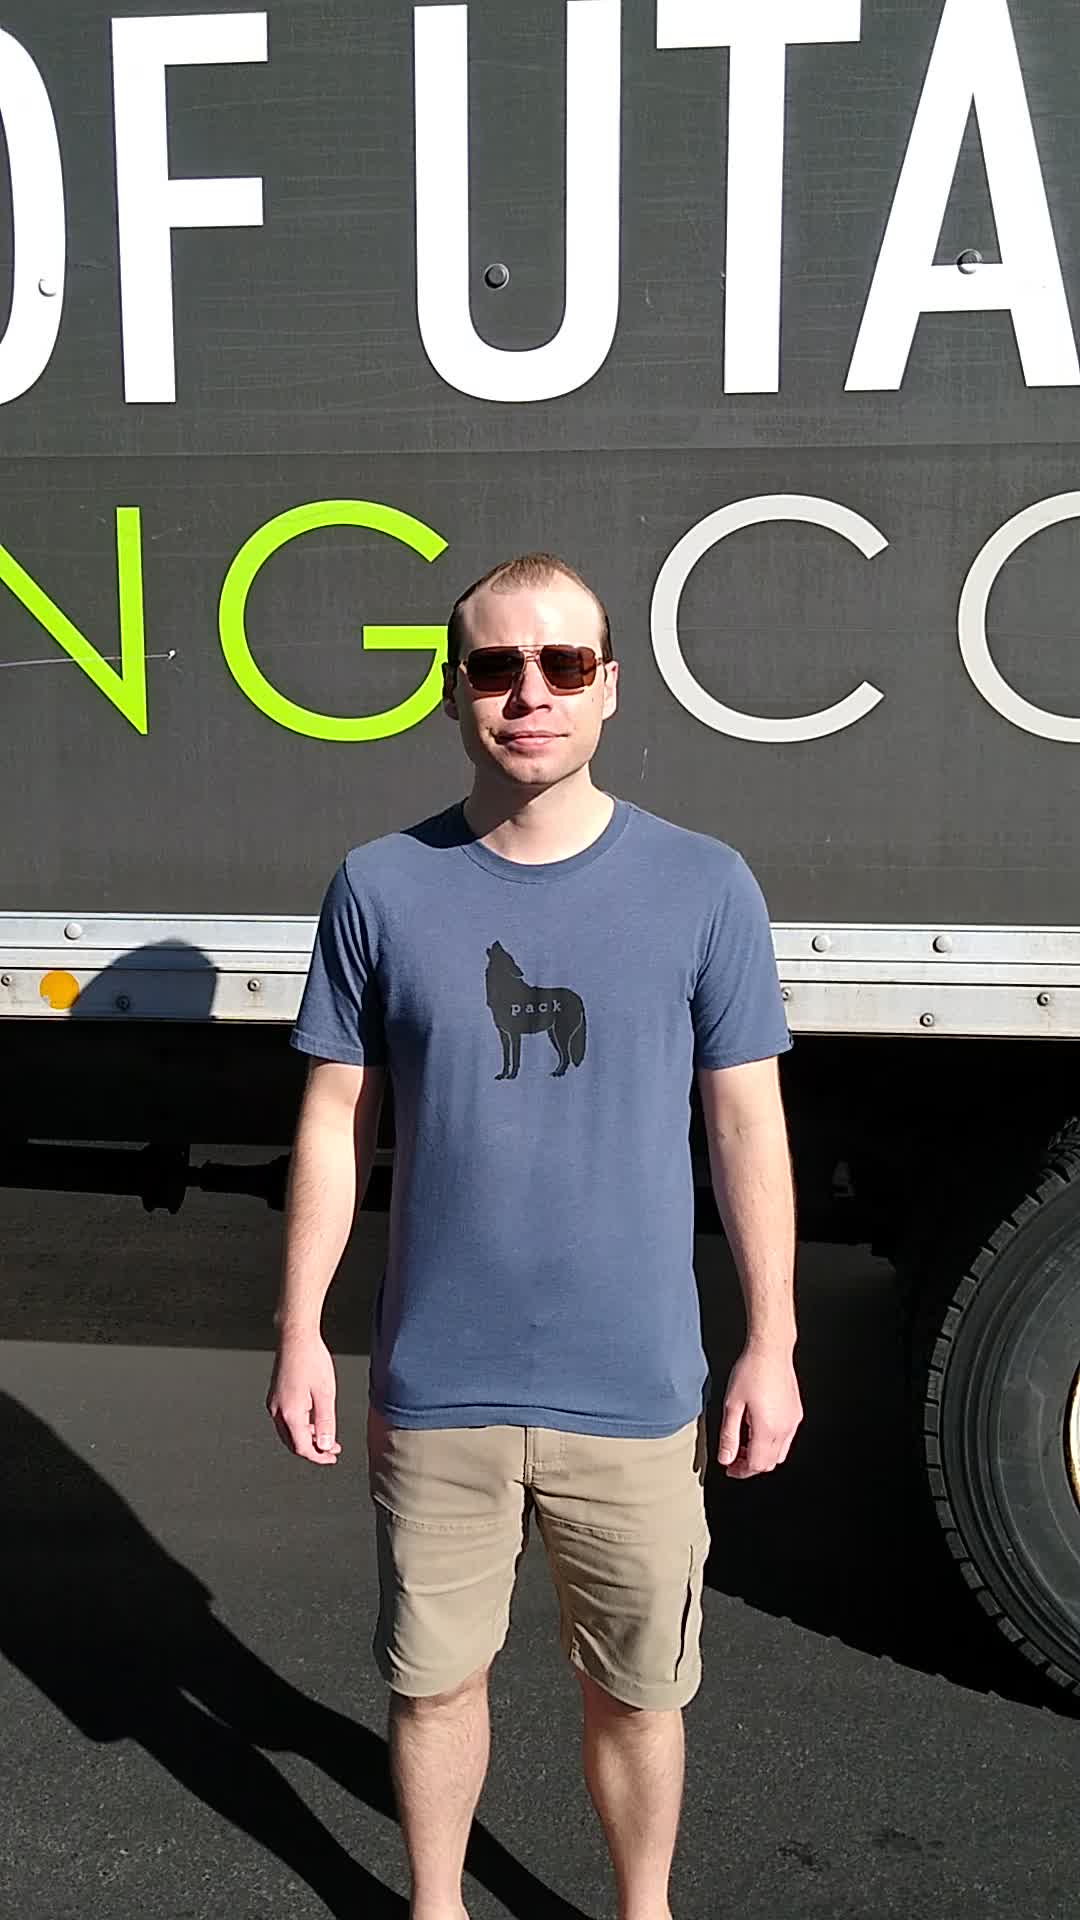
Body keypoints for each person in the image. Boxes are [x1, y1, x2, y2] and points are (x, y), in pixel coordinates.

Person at [266, 552, 803, 1920]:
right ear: (455, 692)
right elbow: (335, 1118)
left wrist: (774, 1342)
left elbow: (747, 1125)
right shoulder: (379, 886)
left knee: (637, 1695)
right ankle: (436, 1908)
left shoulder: (704, 885)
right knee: (432, 1686)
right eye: (498, 667)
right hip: (439, 1384)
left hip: (634, 1390)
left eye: (563, 665)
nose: (531, 694)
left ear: (608, 687)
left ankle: (643, 1910)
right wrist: (301, 1330)